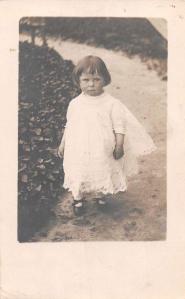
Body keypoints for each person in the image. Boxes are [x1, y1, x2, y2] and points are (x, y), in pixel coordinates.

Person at [58, 55, 156, 216]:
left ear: (105, 79)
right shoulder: (75, 104)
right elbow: (70, 125)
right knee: (79, 169)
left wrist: (119, 145)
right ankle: (78, 198)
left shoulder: (111, 103)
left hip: (102, 147)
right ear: (78, 81)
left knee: (101, 167)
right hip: (78, 146)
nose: (91, 84)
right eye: (86, 80)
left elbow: (119, 126)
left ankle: (100, 195)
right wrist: (63, 143)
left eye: (96, 79)